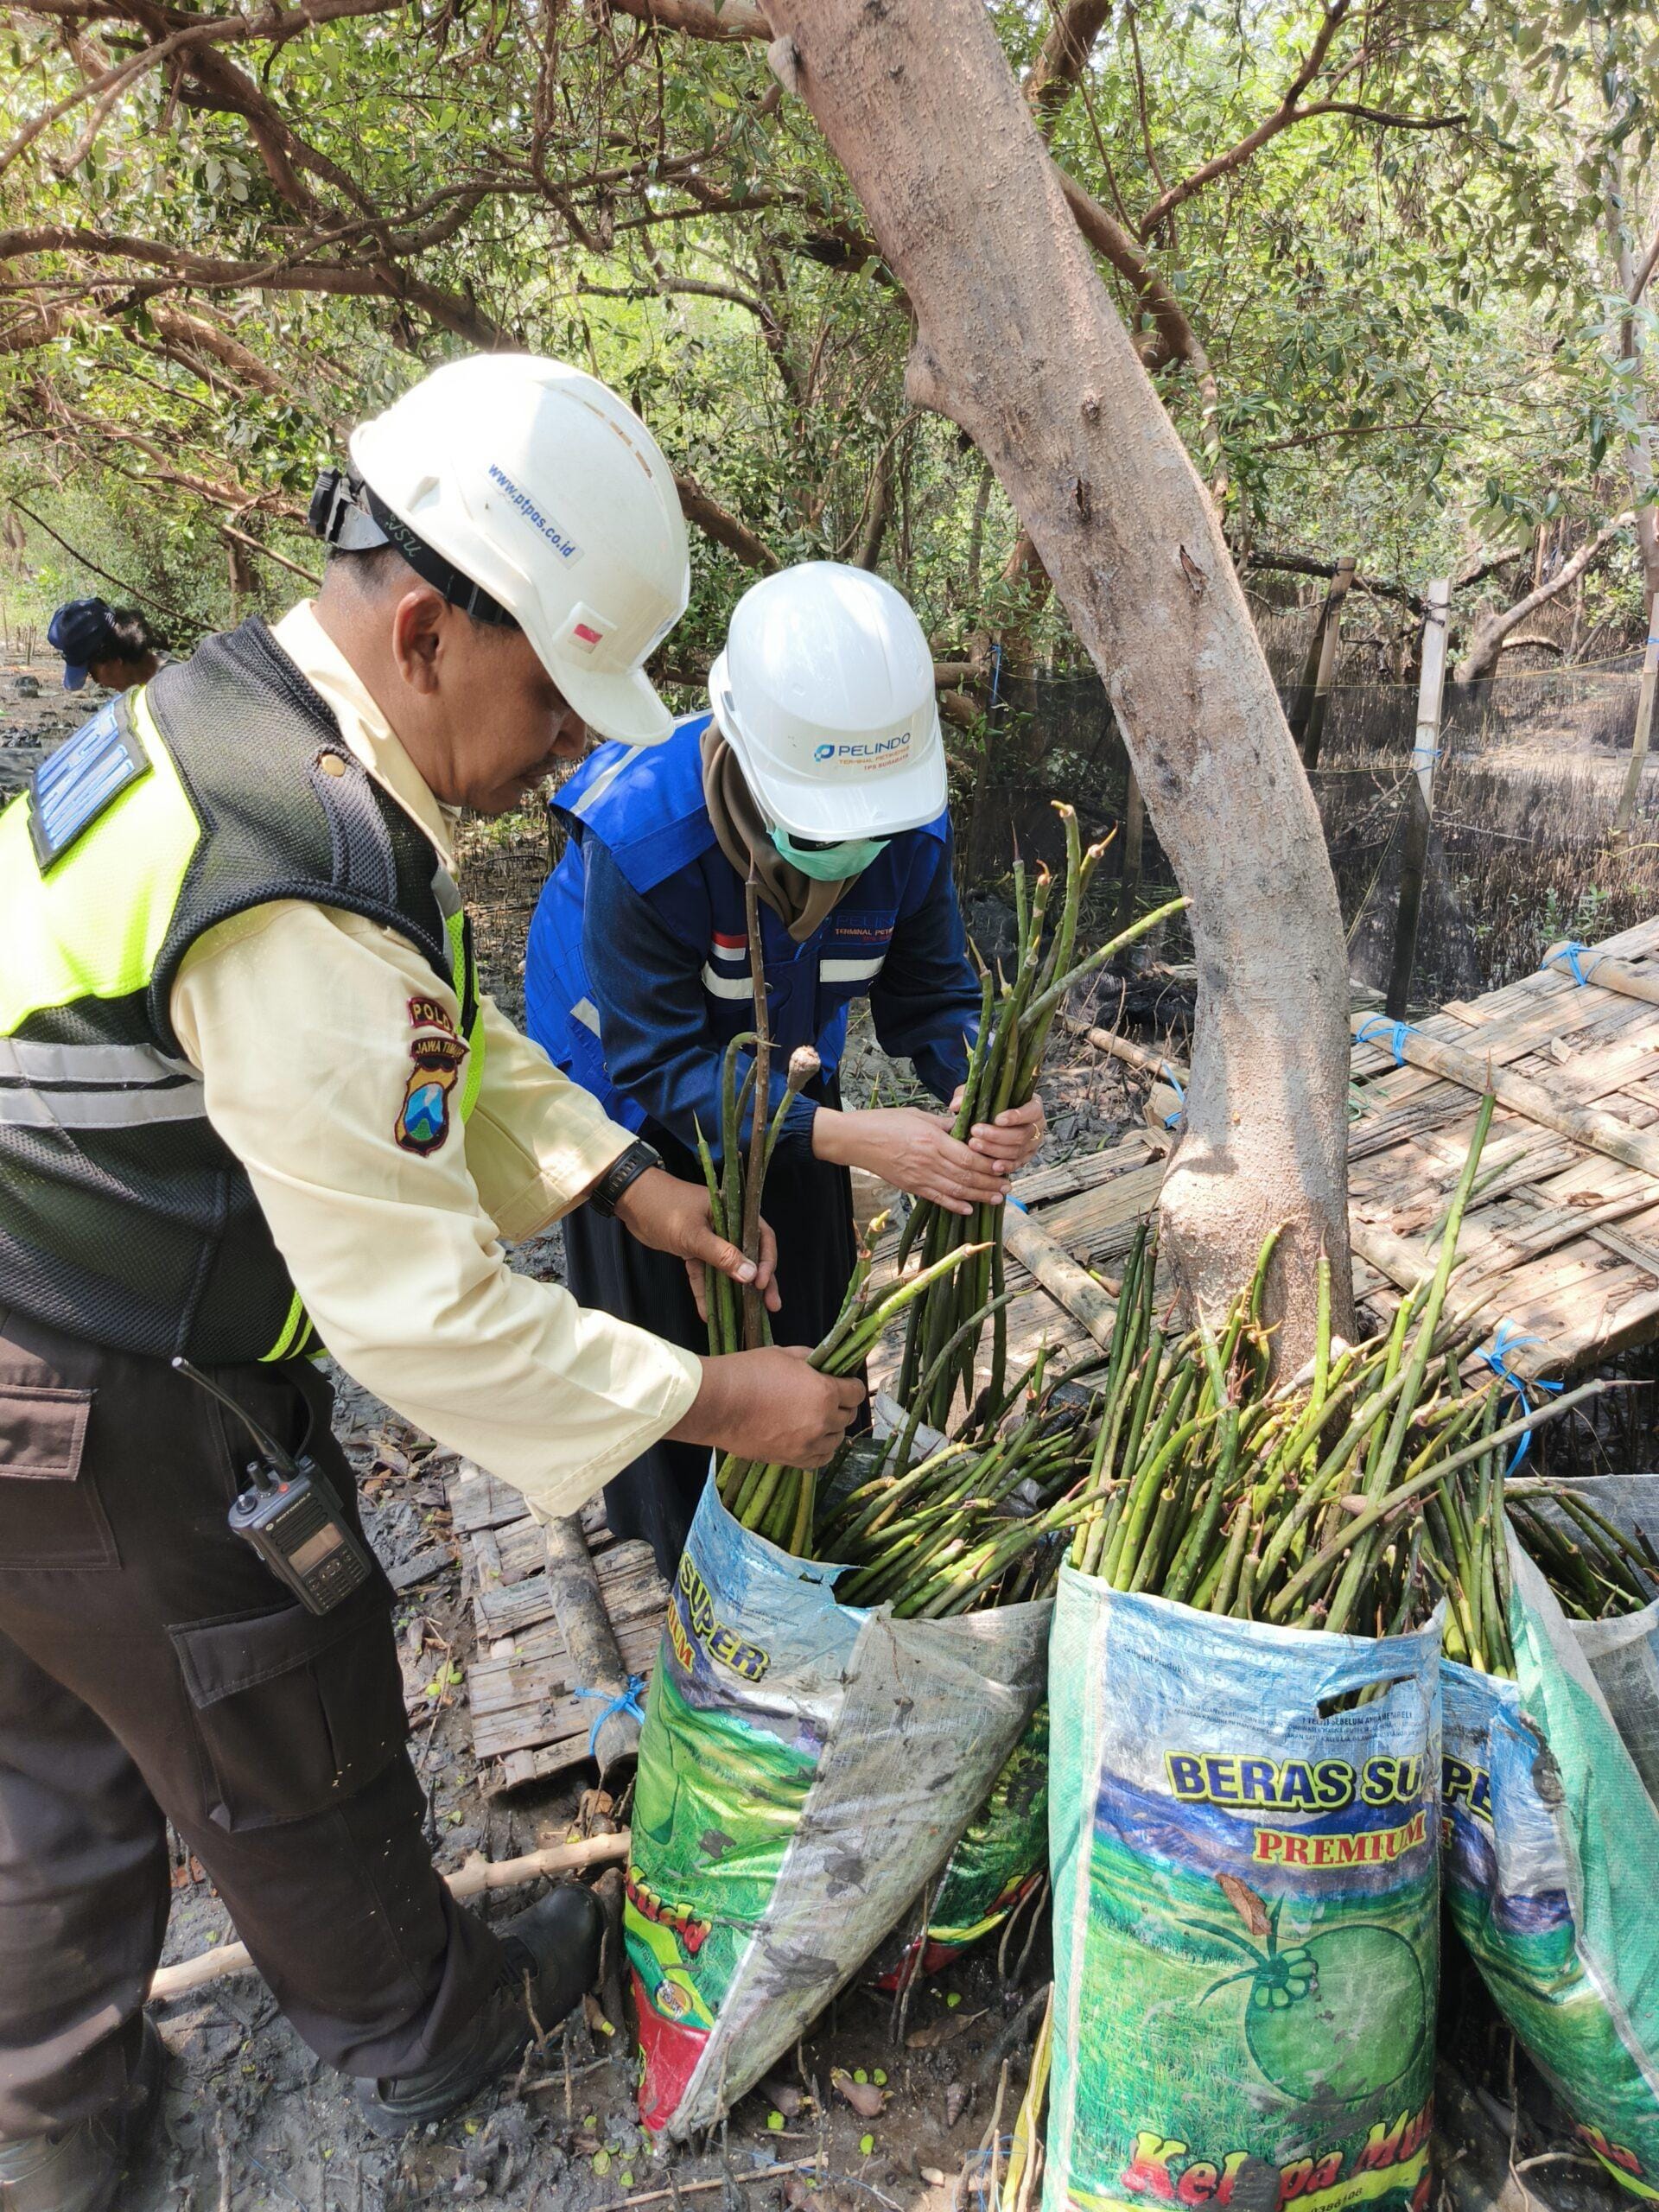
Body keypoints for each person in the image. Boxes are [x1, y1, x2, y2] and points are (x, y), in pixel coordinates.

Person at [0, 356, 863, 2212]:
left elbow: (428, 1048)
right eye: (554, 690)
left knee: (55, 1735)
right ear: (422, 627)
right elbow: (416, 1312)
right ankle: (432, 2030)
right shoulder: (294, 861)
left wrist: (619, 1177)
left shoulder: (220, 723)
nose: (568, 738)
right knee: (279, 1714)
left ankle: (56, 2118)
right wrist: (727, 1396)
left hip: (26, 1330)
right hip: (99, 1382)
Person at [524, 560, 1046, 1578]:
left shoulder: (905, 830)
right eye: (822, 831)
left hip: (790, 1062)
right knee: (670, 1332)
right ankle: (686, 1557)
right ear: (752, 768)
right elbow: (666, 1062)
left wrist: (977, 1086)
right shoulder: (643, 835)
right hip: (629, 1091)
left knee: (801, 1295)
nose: (854, 854)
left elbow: (934, 996)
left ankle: (799, 1522)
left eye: (871, 833)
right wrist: (853, 1139)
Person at [45, 596, 163, 692]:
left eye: (92, 674)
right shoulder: (150, 688)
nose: (98, 682)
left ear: (114, 660)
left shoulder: (171, 689)